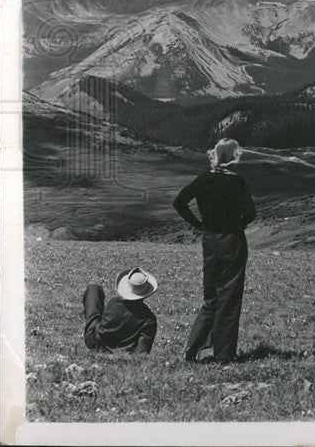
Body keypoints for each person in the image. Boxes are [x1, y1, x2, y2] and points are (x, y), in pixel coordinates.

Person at [173, 137, 256, 363]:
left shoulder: (203, 179)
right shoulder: (237, 182)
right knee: (229, 296)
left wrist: (198, 224)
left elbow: (179, 202)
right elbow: (251, 213)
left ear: (215, 155)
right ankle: (224, 354)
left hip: (209, 241)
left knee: (211, 296)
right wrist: (238, 224)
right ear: (233, 157)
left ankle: (193, 346)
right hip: (232, 241)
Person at [82, 268, 158, 353]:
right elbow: (143, 349)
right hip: (122, 348)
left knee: (94, 289)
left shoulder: (114, 303)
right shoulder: (148, 318)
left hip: (96, 342)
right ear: (146, 293)